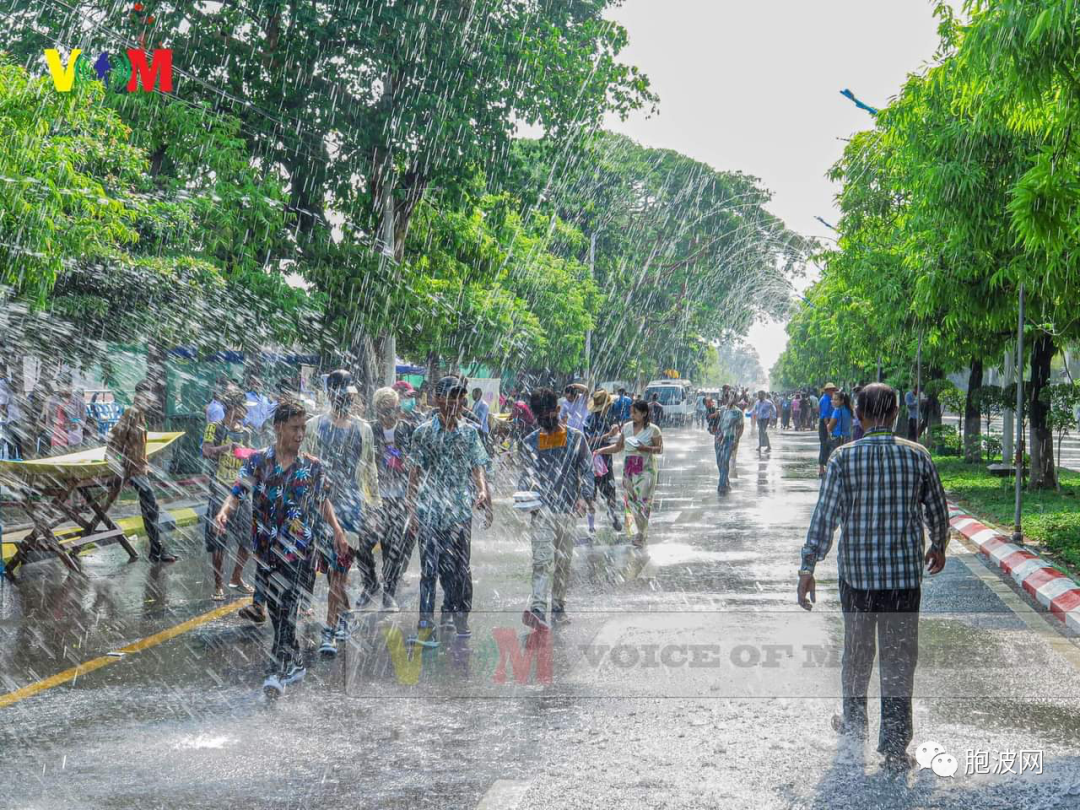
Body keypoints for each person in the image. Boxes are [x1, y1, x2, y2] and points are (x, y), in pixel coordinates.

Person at [797, 383, 949, 771]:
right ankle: (895, 749)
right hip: (902, 583)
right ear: (896, 414)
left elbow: (825, 517)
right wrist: (938, 545)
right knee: (898, 661)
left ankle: (854, 729)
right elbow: (937, 511)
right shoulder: (918, 456)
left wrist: (808, 566)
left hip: (858, 582)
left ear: (861, 416)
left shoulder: (842, 459)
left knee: (858, 655)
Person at [216, 398, 346, 697]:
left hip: (301, 549)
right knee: (276, 609)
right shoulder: (258, 461)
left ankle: (277, 668)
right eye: (294, 428)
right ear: (278, 428)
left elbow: (322, 501)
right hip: (266, 548)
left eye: (303, 428)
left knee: (287, 605)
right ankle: (295, 658)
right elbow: (237, 491)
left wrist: (337, 531)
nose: (300, 435)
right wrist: (225, 511)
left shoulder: (312, 466)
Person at [406, 376, 493, 647]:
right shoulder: (423, 432)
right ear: (437, 399)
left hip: (458, 510)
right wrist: (411, 509)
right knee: (429, 570)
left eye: (460, 397)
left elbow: (477, 465)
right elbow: (414, 473)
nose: (457, 402)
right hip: (430, 509)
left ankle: (459, 617)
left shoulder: (469, 432)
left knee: (459, 568)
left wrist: (482, 491)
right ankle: (425, 627)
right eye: (451, 397)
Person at [301, 370, 380, 658]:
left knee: (339, 572)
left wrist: (375, 507)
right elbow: (304, 467)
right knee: (330, 573)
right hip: (319, 510)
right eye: (342, 393)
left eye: (350, 394)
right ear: (330, 394)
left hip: (351, 511)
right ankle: (345, 616)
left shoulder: (363, 429)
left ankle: (329, 630)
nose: (347, 398)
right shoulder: (313, 427)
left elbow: (370, 469)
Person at [518, 387, 594, 630]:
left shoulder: (575, 438)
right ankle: (538, 609)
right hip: (541, 511)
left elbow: (588, 469)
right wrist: (523, 497)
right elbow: (525, 475)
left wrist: (584, 497)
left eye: (547, 416)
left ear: (557, 410)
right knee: (541, 561)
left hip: (568, 509)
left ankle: (558, 604)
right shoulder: (529, 442)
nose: (544, 422)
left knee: (562, 561)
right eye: (539, 418)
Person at [106, 380, 178, 563]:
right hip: (133, 470)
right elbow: (115, 438)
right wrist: (115, 465)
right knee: (151, 506)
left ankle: (156, 551)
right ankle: (156, 551)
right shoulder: (131, 413)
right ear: (138, 396)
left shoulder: (140, 415)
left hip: (139, 469)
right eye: (146, 395)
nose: (149, 399)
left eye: (150, 396)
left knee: (151, 509)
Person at [202, 392, 255, 601]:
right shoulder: (214, 428)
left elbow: (251, 460)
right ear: (233, 408)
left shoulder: (246, 432)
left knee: (247, 540)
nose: (246, 411)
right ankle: (218, 585)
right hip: (219, 489)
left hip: (241, 491)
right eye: (243, 407)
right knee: (219, 540)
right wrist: (227, 447)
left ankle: (236, 577)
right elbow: (206, 451)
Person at [372, 386, 416, 611]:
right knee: (386, 544)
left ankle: (390, 589)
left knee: (399, 544)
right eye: (388, 410)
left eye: (396, 409)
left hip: (403, 495)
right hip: (379, 496)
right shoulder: (371, 431)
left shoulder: (408, 430)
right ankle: (384, 588)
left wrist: (399, 454)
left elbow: (416, 463)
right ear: (379, 411)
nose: (393, 414)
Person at [598, 399, 663, 548]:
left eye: (635, 412)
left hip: (646, 470)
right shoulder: (626, 428)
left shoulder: (653, 430)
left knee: (643, 502)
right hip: (629, 470)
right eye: (631, 412)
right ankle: (636, 531)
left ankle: (641, 534)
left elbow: (660, 449)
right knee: (631, 503)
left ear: (644, 413)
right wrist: (601, 450)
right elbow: (618, 446)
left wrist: (645, 448)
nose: (631, 415)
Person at [583, 388, 622, 535]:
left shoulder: (606, 418)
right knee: (591, 495)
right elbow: (588, 441)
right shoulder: (590, 420)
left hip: (606, 461)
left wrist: (614, 436)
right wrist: (608, 435)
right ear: (605, 405)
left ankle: (612, 514)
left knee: (610, 492)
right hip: (593, 463)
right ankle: (591, 527)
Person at [710, 394, 742, 494]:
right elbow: (714, 418)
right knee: (719, 462)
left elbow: (740, 427)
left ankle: (722, 485)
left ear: (736, 399)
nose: (730, 399)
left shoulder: (738, 412)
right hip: (718, 439)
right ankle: (725, 480)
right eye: (728, 397)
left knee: (725, 461)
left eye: (733, 397)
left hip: (729, 439)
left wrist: (736, 440)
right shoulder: (722, 409)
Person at [0, 365, 24, 459]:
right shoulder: (7, 382)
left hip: (10, 420)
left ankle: (12, 465)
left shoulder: (1, 384)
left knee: (10, 444)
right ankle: (20, 463)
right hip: (15, 418)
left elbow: (2, 405)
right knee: (17, 443)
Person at [817, 383, 838, 477]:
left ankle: (826, 467)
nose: (833, 392)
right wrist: (828, 428)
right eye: (832, 390)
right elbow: (825, 415)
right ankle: (821, 468)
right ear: (827, 390)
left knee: (829, 445)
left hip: (829, 422)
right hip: (826, 423)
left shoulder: (829, 398)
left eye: (834, 390)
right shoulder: (825, 399)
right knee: (825, 444)